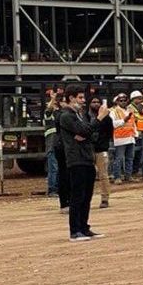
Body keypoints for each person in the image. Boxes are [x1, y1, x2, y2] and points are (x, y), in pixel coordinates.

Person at [58, 84, 110, 241]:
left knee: (86, 196)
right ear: (71, 98)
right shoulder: (66, 116)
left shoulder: (80, 115)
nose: (83, 101)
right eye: (80, 98)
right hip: (76, 160)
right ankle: (75, 231)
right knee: (77, 195)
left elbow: (91, 134)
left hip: (88, 158)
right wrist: (98, 119)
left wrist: (86, 132)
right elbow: (85, 131)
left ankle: (84, 227)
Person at [88, 96, 114, 209]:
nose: (96, 104)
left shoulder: (107, 118)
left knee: (103, 175)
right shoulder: (85, 116)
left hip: (101, 149)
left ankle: (104, 198)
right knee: (87, 176)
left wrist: (105, 145)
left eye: (98, 102)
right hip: (88, 150)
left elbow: (109, 133)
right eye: (93, 102)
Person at [109, 93, 137, 184]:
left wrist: (135, 134)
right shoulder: (114, 111)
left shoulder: (130, 110)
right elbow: (112, 124)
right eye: (121, 100)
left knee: (130, 158)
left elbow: (133, 123)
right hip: (120, 138)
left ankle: (128, 176)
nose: (123, 102)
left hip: (130, 137)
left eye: (125, 100)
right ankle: (117, 176)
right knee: (119, 158)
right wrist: (123, 120)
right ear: (117, 101)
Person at [43, 91, 61, 198]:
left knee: (59, 169)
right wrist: (53, 99)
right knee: (53, 169)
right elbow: (48, 110)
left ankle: (57, 189)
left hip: (59, 145)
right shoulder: (49, 117)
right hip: (52, 145)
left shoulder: (60, 116)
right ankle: (52, 190)